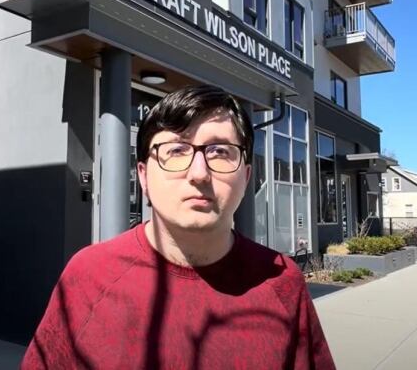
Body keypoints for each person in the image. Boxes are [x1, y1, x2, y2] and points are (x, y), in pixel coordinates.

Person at [21, 85, 335, 369]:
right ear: (143, 176)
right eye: (176, 150)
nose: (199, 173)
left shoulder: (283, 282)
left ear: (247, 176)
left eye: (220, 152)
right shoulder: (88, 276)